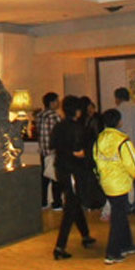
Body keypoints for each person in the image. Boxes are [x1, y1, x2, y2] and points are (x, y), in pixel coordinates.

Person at [50, 95, 96, 259]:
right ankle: (59, 247)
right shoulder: (78, 129)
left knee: (74, 203)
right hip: (74, 171)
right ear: (77, 111)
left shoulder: (58, 126)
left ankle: (85, 235)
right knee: (71, 206)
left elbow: (52, 145)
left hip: (61, 169)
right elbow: (80, 152)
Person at [93, 108, 135, 264]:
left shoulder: (99, 139)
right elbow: (132, 163)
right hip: (120, 183)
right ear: (119, 122)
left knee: (120, 212)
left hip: (106, 183)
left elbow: (95, 160)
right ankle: (112, 253)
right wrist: (134, 175)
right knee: (118, 218)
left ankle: (127, 245)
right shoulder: (122, 140)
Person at [35, 92, 63, 211]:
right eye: (57, 101)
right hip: (54, 151)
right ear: (52, 103)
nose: (58, 103)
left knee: (44, 177)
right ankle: (57, 203)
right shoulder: (54, 116)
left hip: (43, 151)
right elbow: (58, 133)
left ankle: (43, 202)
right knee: (56, 177)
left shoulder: (39, 115)